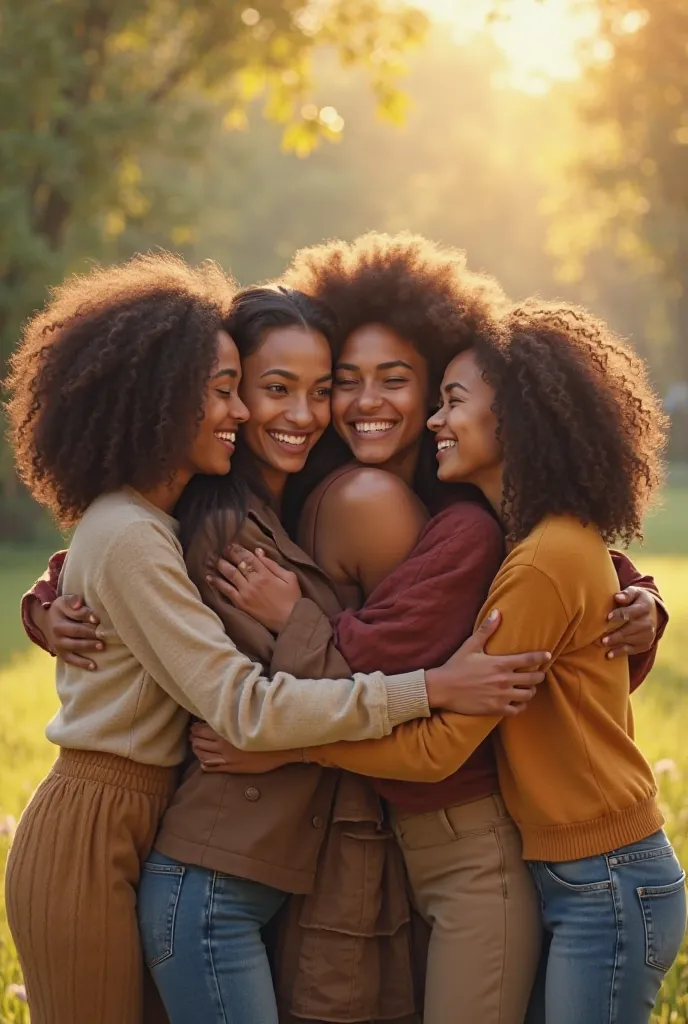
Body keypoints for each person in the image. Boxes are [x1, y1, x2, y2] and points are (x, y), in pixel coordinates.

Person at [5, 255, 498, 1024]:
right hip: (157, 836)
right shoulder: (200, 517)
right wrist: (49, 602)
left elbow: (536, 552)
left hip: (196, 835)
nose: (300, 413)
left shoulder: (302, 487)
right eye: (253, 390)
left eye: (319, 388)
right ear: (174, 396)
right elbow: (239, 699)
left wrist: (635, 593)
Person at [192, 233, 669, 1024]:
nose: (363, 402)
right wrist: (57, 589)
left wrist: (643, 603)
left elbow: (548, 587)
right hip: (388, 831)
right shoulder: (354, 477)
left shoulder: (467, 517)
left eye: (402, 382)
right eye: (345, 382)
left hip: (476, 828)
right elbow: (156, 536)